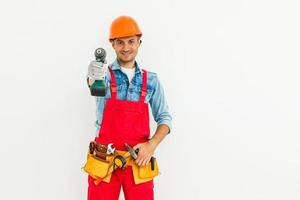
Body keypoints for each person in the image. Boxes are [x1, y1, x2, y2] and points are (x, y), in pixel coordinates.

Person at [87, 15, 172, 200]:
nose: (126, 48)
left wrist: (152, 145)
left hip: (138, 161)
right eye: (120, 42)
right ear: (112, 44)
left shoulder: (151, 81)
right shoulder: (104, 75)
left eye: (131, 42)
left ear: (139, 43)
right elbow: (95, 88)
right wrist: (93, 76)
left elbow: (165, 119)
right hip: (104, 160)